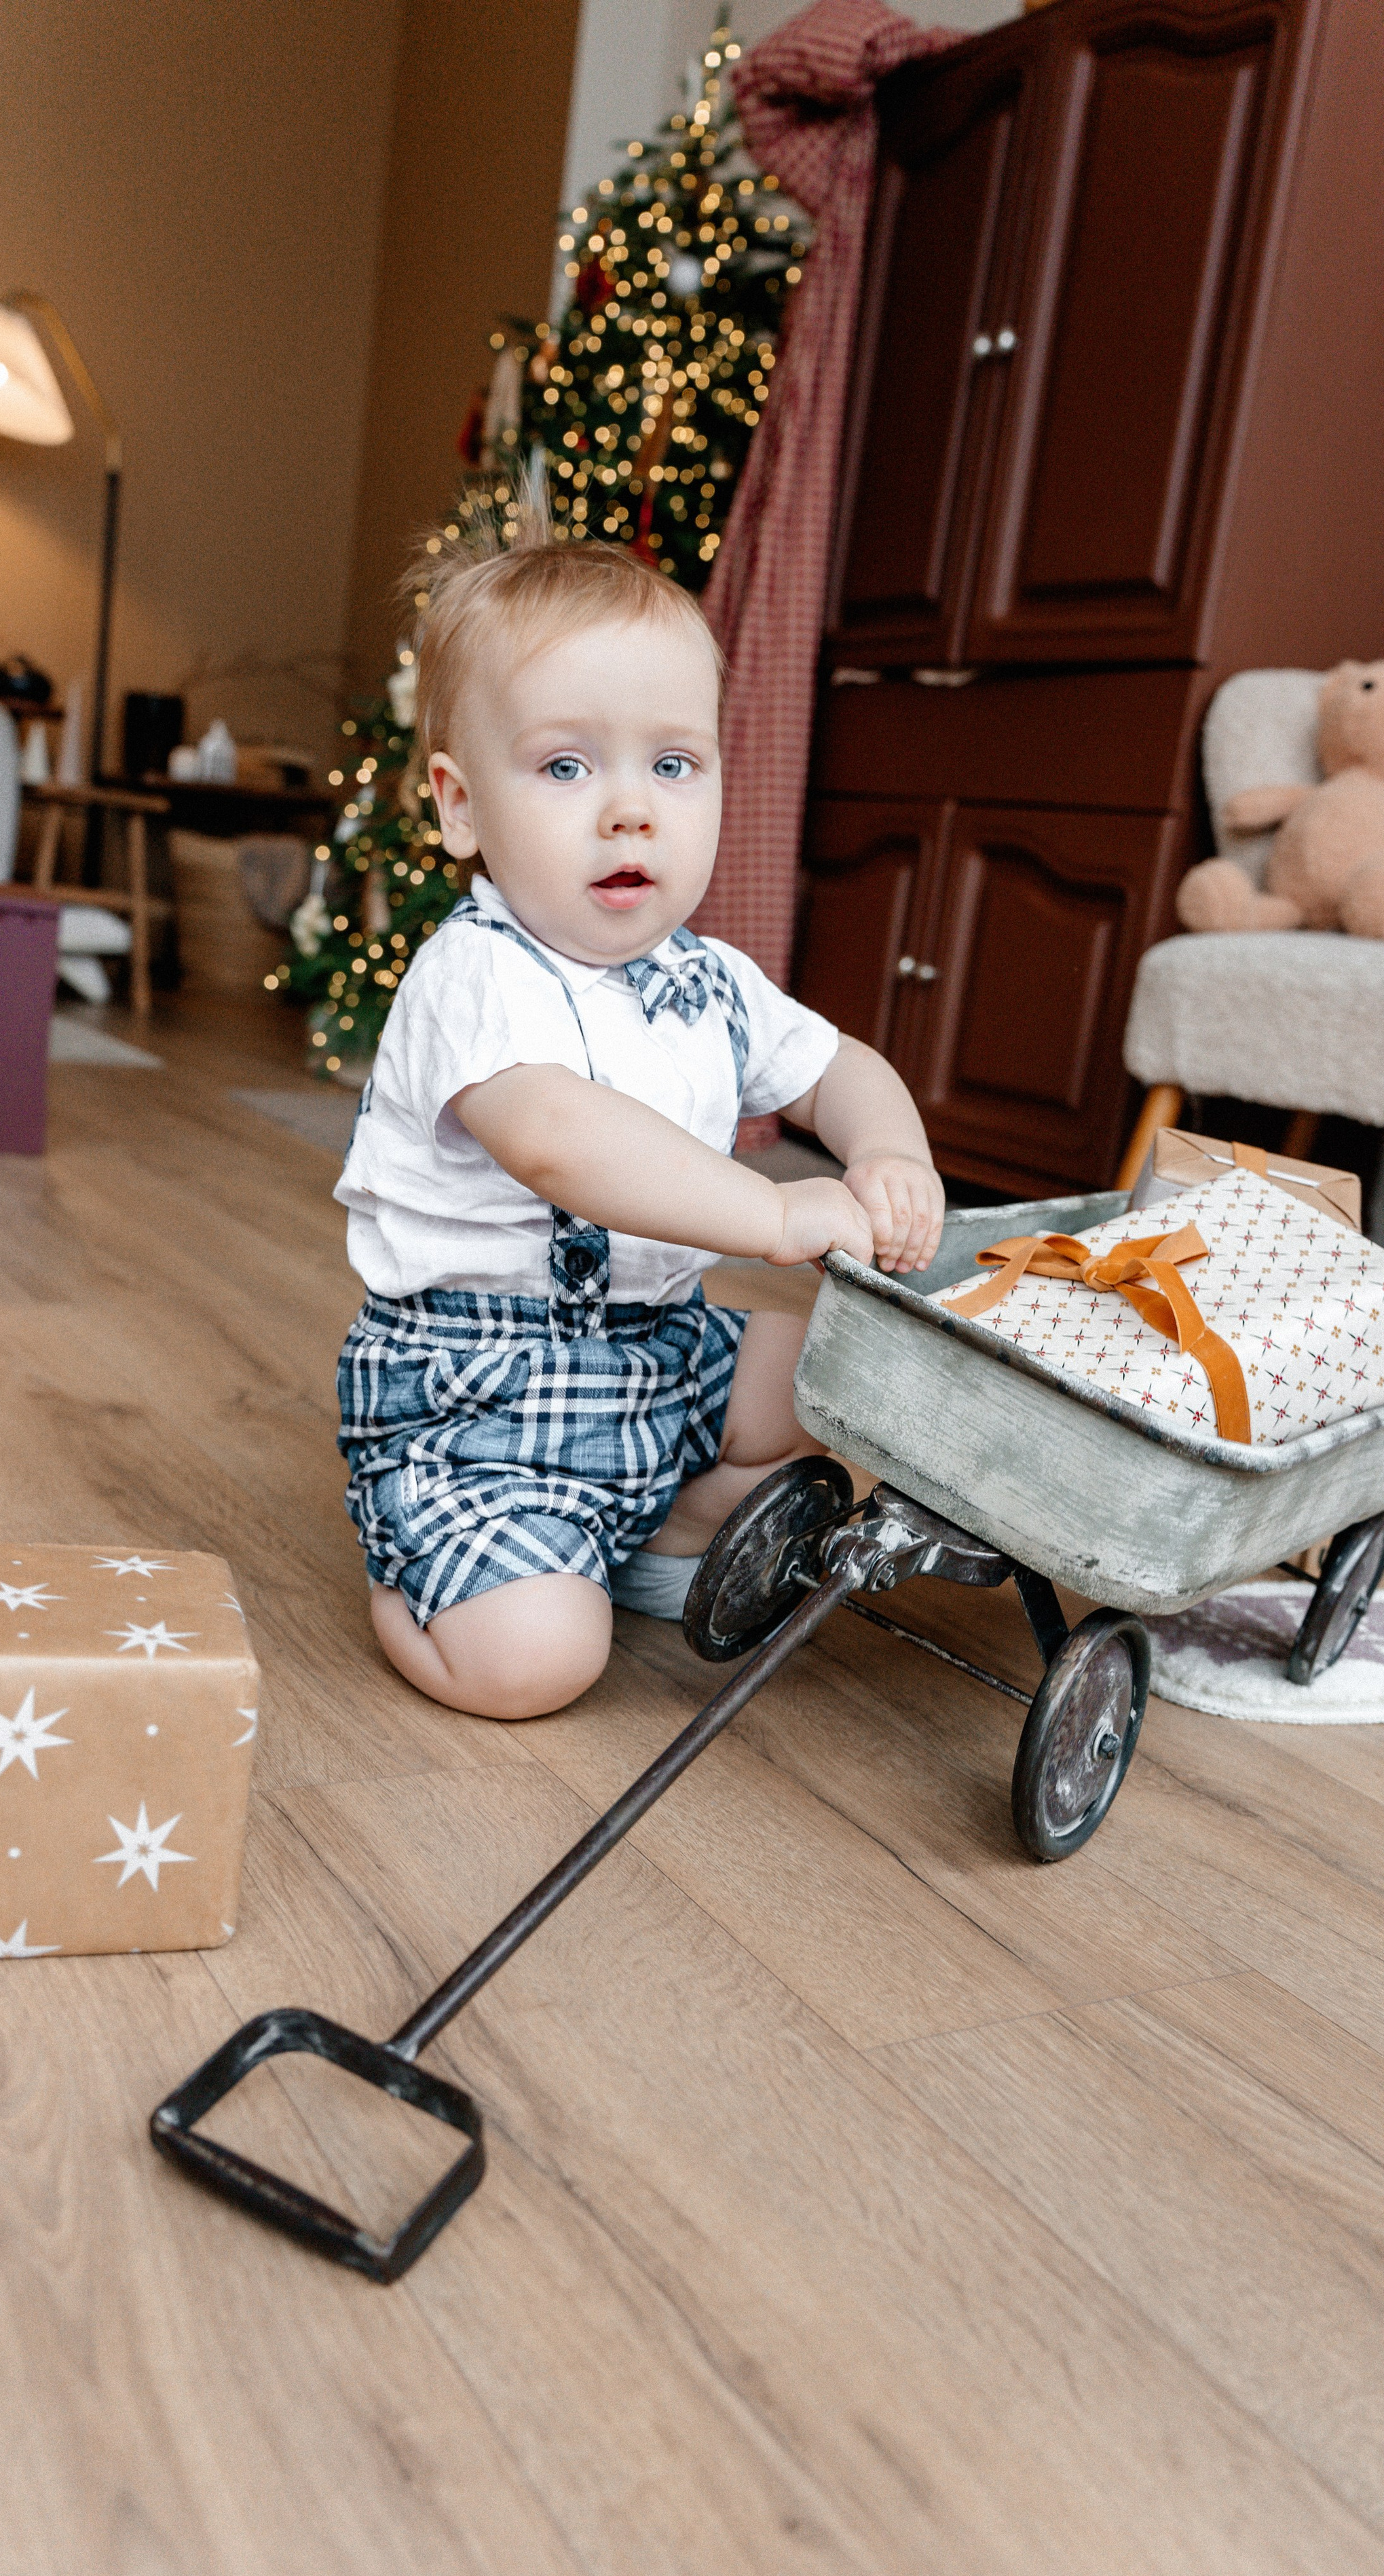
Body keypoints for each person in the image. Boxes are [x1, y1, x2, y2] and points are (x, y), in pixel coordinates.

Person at [334, 513, 943, 1720]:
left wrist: (887, 1152)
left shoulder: (708, 977)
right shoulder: (477, 976)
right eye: (567, 767)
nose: (631, 811)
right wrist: (772, 1210)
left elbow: (841, 1069)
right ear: (461, 807)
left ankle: (661, 1521)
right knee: (538, 1668)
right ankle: (423, 1580)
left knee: (850, 1378)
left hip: (660, 1354)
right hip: (482, 1396)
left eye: (674, 765)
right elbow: (562, 1138)